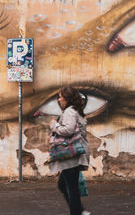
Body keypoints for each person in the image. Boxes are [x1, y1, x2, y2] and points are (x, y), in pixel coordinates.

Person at [49, 86, 90, 215]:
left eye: (60, 96)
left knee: (71, 187)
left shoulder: (70, 112)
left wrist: (54, 125)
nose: (59, 99)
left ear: (67, 98)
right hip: (75, 153)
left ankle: (77, 212)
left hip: (70, 153)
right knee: (64, 185)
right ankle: (80, 210)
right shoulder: (76, 110)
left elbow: (68, 130)